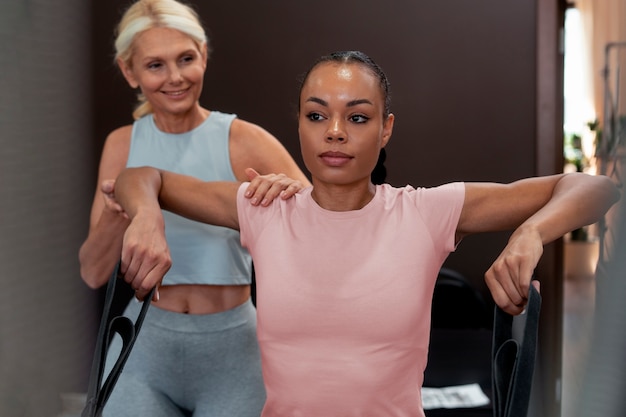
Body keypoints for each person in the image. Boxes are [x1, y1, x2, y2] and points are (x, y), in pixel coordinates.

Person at [112, 50, 620, 416]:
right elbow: (141, 178)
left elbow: (593, 187)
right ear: (300, 126)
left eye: (357, 117)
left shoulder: (426, 211)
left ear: (386, 129)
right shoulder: (265, 208)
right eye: (317, 115)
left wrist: (530, 234)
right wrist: (147, 219)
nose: (335, 131)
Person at [78, 0, 310, 416]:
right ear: (129, 71)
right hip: (143, 348)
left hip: (232, 351)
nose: (175, 78)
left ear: (204, 56)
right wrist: (118, 214)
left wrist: (288, 200)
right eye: (155, 65)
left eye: (186, 59)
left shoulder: (245, 140)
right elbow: (93, 271)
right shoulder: (122, 145)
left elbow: (324, 237)